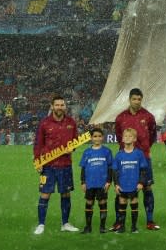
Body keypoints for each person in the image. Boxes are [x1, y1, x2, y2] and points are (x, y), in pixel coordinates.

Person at [112, 88, 159, 231]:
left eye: (139, 99)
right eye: (134, 99)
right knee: (120, 188)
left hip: (143, 157)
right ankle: (119, 221)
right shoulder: (121, 117)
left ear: (141, 100)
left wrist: (143, 150)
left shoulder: (148, 117)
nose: (137, 102)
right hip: (125, 158)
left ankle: (150, 220)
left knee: (147, 187)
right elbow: (119, 136)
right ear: (129, 100)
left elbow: (152, 136)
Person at [33, 94, 80, 234]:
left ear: (65, 106)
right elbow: (38, 144)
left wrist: (74, 147)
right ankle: (41, 224)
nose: (60, 107)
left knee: (65, 194)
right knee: (45, 194)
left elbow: (76, 140)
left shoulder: (71, 122)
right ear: (52, 106)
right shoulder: (44, 123)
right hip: (48, 166)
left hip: (65, 165)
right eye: (57, 105)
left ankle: (65, 223)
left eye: (62, 105)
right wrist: (37, 161)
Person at [112, 128, 148, 233]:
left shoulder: (139, 154)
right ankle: (122, 227)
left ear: (134, 139)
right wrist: (116, 184)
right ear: (122, 139)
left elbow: (143, 170)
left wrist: (141, 183)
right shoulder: (119, 155)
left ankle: (134, 227)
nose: (127, 138)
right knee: (122, 203)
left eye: (130, 136)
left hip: (134, 184)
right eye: (125, 136)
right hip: (123, 184)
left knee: (134, 203)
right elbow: (115, 171)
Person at [78, 127, 113, 233]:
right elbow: (83, 168)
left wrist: (108, 181)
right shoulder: (87, 152)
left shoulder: (107, 151)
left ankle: (102, 227)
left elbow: (110, 168)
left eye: (99, 136)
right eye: (95, 136)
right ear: (91, 138)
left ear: (102, 137)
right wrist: (83, 182)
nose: (97, 138)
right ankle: (88, 227)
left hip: (102, 183)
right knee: (89, 202)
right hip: (90, 183)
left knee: (102, 202)